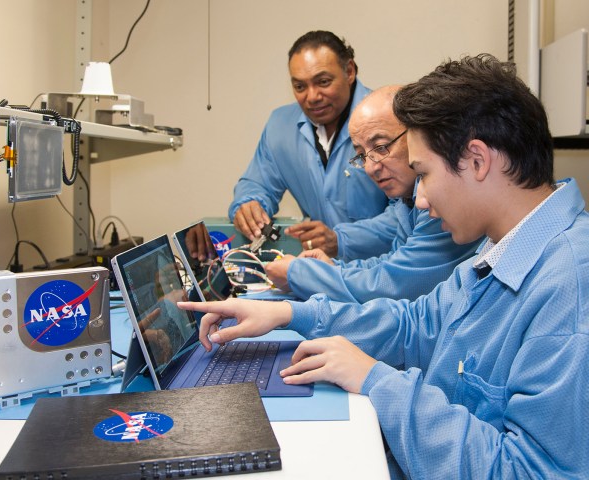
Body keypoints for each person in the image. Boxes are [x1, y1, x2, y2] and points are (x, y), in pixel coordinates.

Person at [180, 54, 589, 478]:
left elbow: (531, 472)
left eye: (424, 173)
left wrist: (377, 381)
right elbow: (417, 325)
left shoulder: (569, 290)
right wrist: (289, 312)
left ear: (478, 160)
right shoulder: (501, 248)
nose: (422, 200)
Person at [265, 86, 481, 302]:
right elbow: (393, 262)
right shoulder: (406, 199)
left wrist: (300, 275)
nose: (370, 168)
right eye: (361, 155)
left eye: (381, 147)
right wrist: (331, 268)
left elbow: (395, 284)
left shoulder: (442, 197)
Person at [229, 30, 388, 251]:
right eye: (300, 86)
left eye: (323, 82)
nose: (312, 97)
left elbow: (406, 215)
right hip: (319, 268)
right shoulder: (280, 126)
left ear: (349, 71)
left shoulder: (387, 119)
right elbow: (258, 183)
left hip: (384, 269)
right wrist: (249, 203)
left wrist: (343, 239)